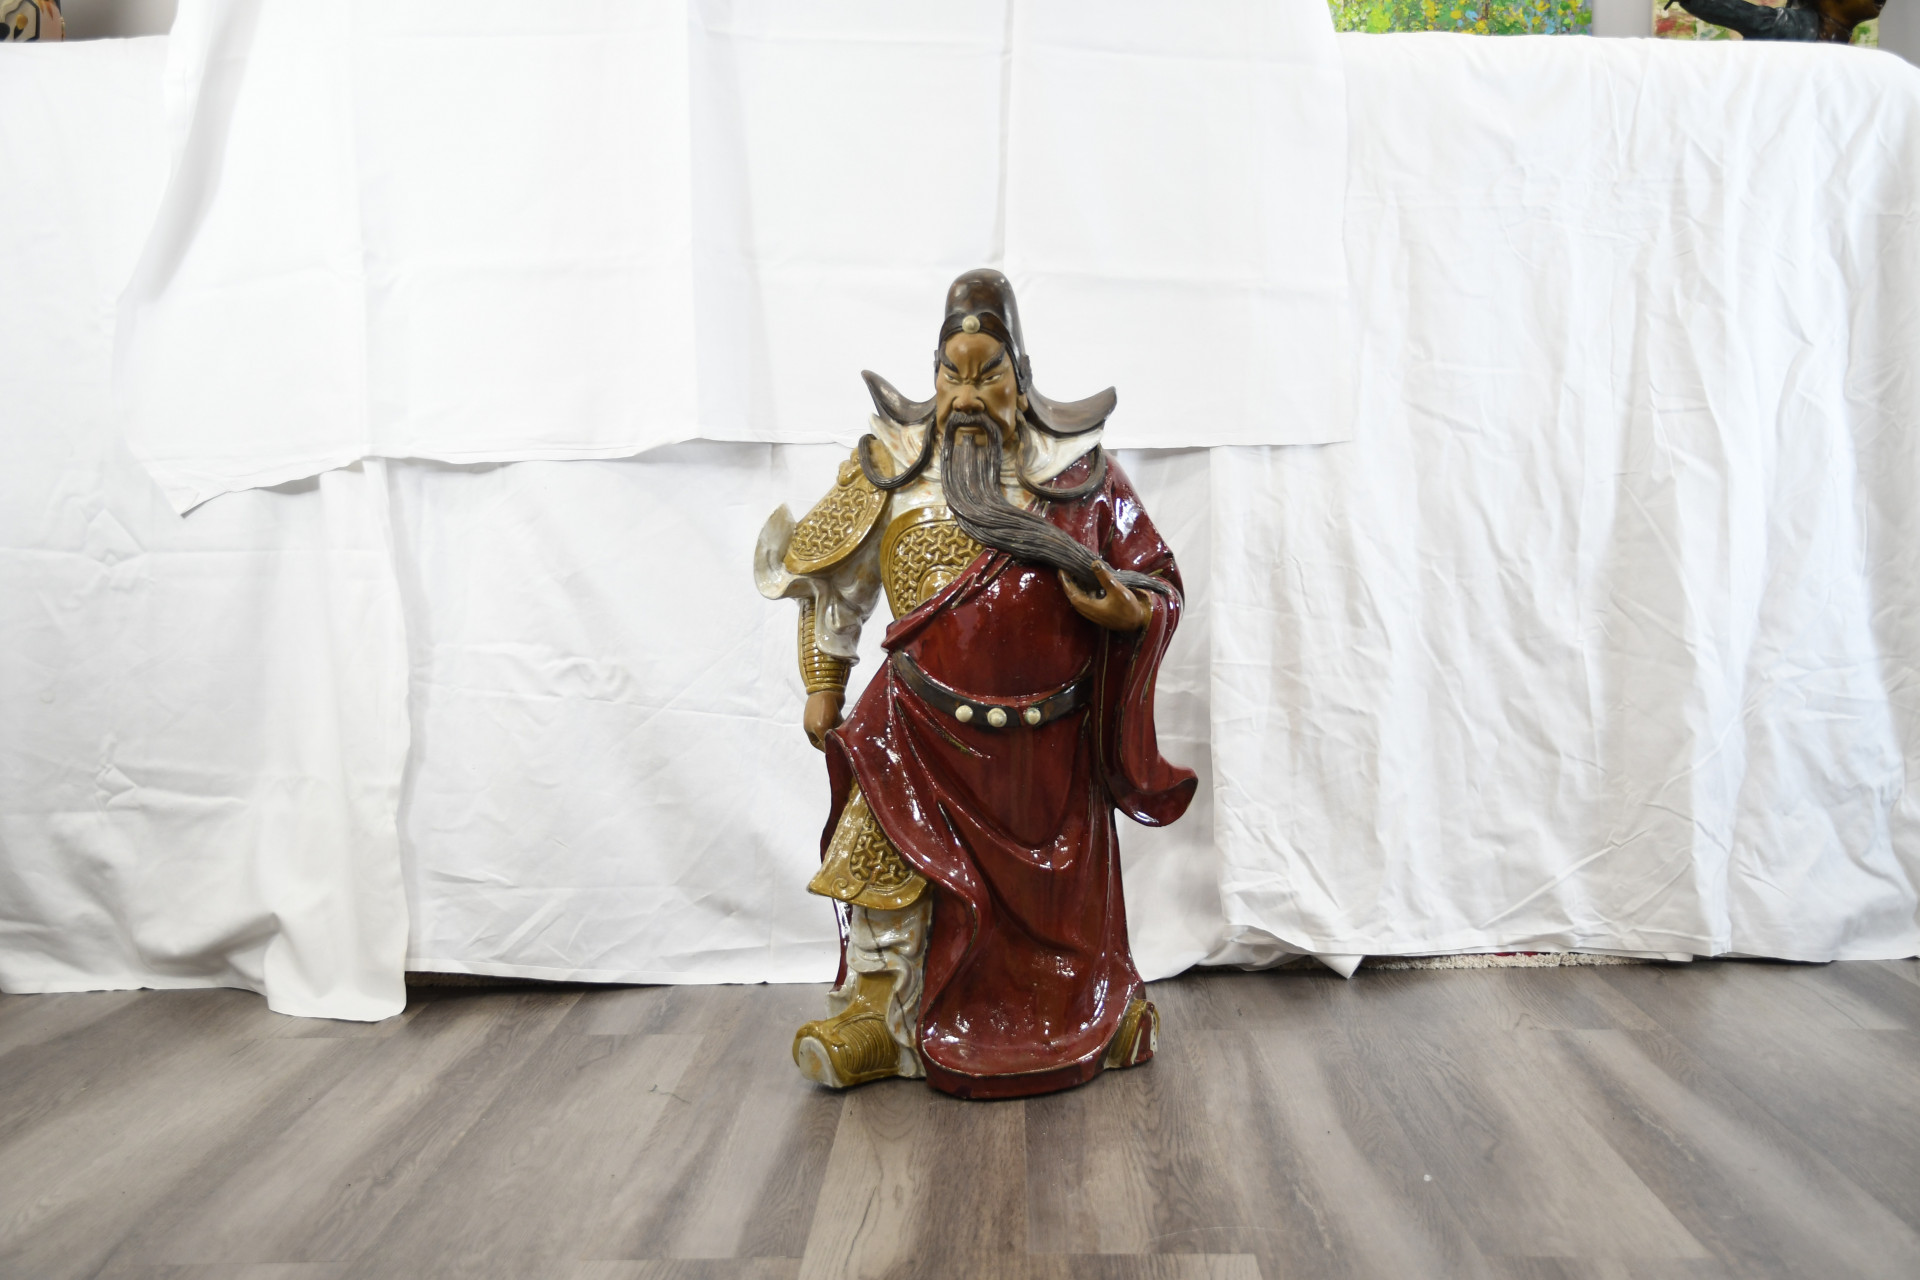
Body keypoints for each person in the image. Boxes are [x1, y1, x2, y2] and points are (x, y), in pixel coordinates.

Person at [754, 269, 1196, 1099]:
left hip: (1047, 754)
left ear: (1019, 381)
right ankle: (877, 1017)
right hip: (914, 733)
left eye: (986, 375)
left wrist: (1128, 612)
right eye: (949, 375)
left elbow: (1158, 581)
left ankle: (1096, 1006)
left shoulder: (1081, 479)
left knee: (1064, 919)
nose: (964, 396)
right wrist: (824, 684)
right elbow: (829, 587)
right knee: (879, 864)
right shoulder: (891, 473)